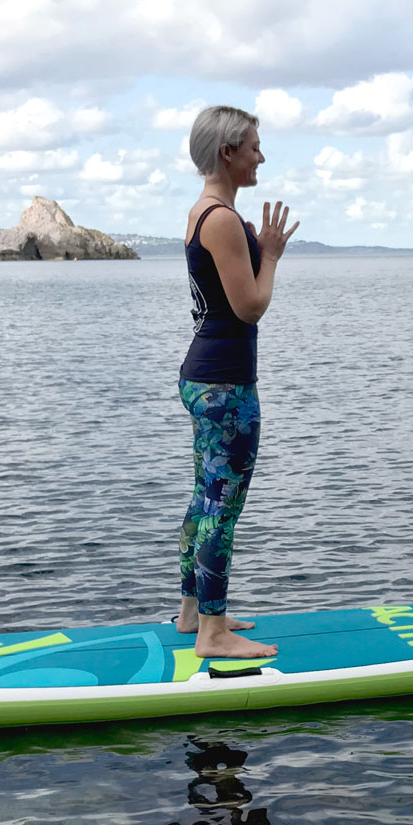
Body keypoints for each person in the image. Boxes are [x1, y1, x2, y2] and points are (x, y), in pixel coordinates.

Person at [174, 105, 299, 659]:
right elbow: (249, 307)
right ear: (227, 153)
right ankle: (212, 633)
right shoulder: (221, 219)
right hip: (224, 385)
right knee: (221, 505)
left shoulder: (206, 213)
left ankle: (192, 611)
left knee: (205, 498)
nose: (261, 156)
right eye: (253, 146)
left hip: (207, 378)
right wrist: (269, 255)